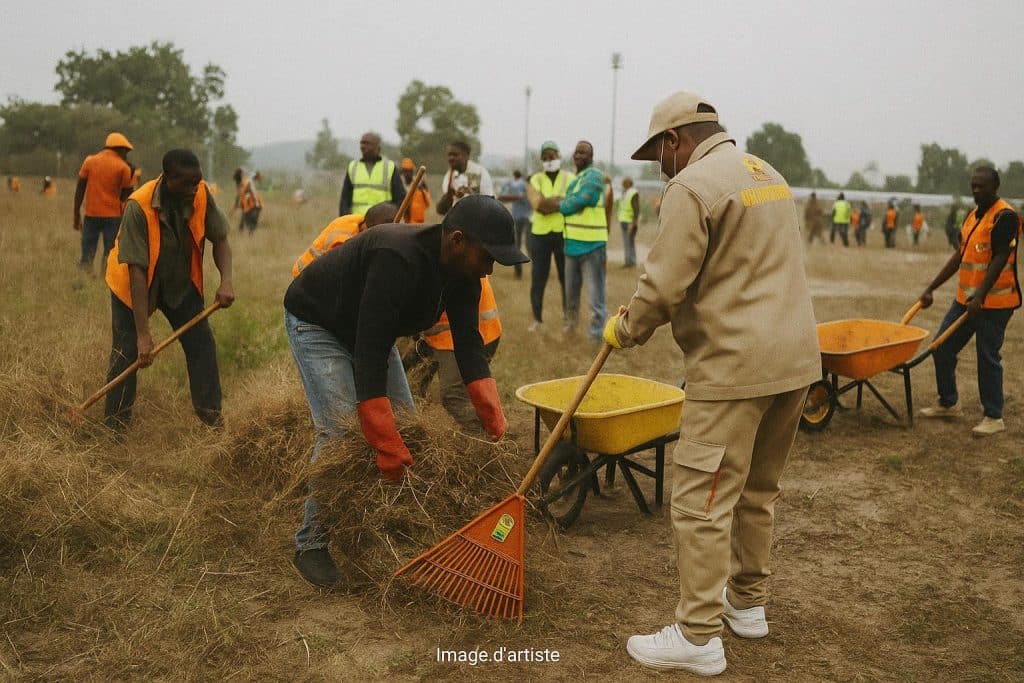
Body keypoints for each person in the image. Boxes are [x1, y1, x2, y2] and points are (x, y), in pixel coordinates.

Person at [608, 92, 819, 676]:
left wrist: (626, 328)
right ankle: (746, 604)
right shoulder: (766, 174)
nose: (659, 168)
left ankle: (698, 635)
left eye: (658, 155)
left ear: (674, 140)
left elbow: (663, 284)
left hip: (734, 368)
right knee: (757, 490)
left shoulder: (693, 186)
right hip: (795, 361)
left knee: (700, 502)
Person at [283, 195, 527, 587]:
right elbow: (370, 353)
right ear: (458, 240)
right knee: (340, 430)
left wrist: (492, 416)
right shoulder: (397, 258)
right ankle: (311, 544)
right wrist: (383, 440)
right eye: (488, 257)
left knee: (409, 427)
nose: (490, 269)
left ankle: (389, 522)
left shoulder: (465, 274)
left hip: (370, 330)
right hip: (319, 324)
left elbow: (468, 343)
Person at [103, 149, 235, 429]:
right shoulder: (138, 206)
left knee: (202, 345)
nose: (194, 188)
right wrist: (143, 335)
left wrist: (226, 281)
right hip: (133, 286)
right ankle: (115, 427)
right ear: (168, 178)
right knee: (127, 354)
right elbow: (137, 273)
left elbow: (220, 238)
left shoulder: (200, 193)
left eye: (197, 181)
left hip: (179, 283)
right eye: (187, 183)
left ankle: (211, 420)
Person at [916, 166, 1021, 436]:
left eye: (981, 186)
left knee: (987, 356)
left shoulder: (1005, 216)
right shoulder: (972, 216)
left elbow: (1000, 257)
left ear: (995, 187)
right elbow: (960, 256)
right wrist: (931, 288)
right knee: (942, 348)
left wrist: (981, 295)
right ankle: (949, 402)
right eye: (973, 185)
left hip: (995, 304)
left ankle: (994, 416)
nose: (975, 190)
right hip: (966, 301)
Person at [536, 140, 607, 342]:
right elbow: (569, 200)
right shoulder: (577, 180)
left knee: (595, 297)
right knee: (571, 295)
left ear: (591, 157)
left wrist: (560, 204)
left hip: (592, 246)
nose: (578, 155)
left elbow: (581, 201)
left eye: (583, 152)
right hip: (571, 246)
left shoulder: (595, 176)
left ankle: (595, 337)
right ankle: (570, 329)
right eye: (576, 152)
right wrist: (562, 202)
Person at [526, 142, 572, 332]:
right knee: (538, 277)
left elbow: (574, 202)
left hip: (563, 233)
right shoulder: (535, 179)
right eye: (544, 158)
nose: (548, 160)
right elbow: (538, 205)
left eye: (551, 156)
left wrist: (548, 202)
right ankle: (537, 319)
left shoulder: (570, 178)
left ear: (558, 156)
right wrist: (561, 201)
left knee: (566, 278)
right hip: (539, 235)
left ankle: (569, 318)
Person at [74, 132, 135, 275]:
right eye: (126, 152)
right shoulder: (124, 167)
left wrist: (76, 212)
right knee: (110, 252)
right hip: (113, 217)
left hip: (91, 215)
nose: (126, 155)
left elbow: (80, 188)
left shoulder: (89, 161)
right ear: (120, 149)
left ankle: (84, 277)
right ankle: (106, 278)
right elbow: (127, 195)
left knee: (87, 250)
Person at [292, 202, 398, 277]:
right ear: (371, 230)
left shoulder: (360, 221)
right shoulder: (343, 240)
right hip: (305, 277)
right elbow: (341, 274)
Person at [339, 132, 405, 217]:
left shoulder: (389, 167)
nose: (362, 146)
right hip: (358, 220)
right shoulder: (353, 166)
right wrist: (345, 218)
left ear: (377, 147)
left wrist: (392, 218)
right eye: (361, 143)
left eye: (367, 143)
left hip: (382, 221)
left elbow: (400, 198)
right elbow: (345, 200)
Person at [437, 140, 494, 215]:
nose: (451, 158)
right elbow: (443, 209)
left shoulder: (479, 172)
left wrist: (469, 194)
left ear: (467, 155)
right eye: (449, 155)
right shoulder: (449, 175)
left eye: (455, 155)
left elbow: (489, 202)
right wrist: (449, 194)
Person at [498, 170, 532, 278]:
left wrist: (511, 197)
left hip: (520, 217)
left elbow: (502, 196)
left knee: (520, 244)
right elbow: (519, 197)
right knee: (527, 244)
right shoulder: (524, 186)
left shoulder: (515, 185)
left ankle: (519, 271)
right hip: (527, 217)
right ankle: (521, 270)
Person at [399, 157, 431, 224]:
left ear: (412, 171)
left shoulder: (419, 184)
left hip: (416, 222)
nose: (408, 173)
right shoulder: (398, 183)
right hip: (402, 220)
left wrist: (422, 188)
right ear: (402, 171)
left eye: (410, 170)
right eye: (406, 170)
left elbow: (428, 203)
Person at [618, 177, 641, 267]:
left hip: (628, 221)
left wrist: (633, 223)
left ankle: (629, 262)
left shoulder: (629, 193)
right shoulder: (629, 193)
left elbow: (636, 210)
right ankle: (631, 261)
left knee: (627, 242)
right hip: (626, 221)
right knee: (630, 241)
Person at [232, 168, 263, 233]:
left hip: (252, 201)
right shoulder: (244, 182)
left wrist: (236, 204)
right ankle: (245, 229)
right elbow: (240, 194)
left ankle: (244, 229)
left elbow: (240, 194)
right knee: (249, 217)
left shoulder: (245, 181)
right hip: (251, 202)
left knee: (248, 216)